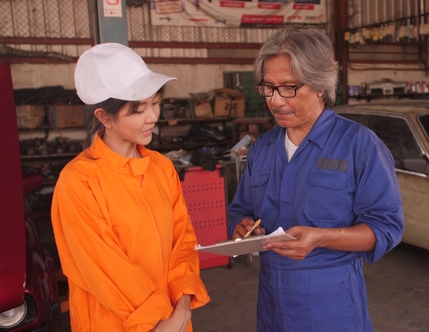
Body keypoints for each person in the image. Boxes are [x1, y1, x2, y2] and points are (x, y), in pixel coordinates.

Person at [227, 27, 404, 331]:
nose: (275, 101)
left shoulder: (359, 145)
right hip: (272, 301)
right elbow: (241, 209)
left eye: (288, 88)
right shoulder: (263, 149)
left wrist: (322, 237)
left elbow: (386, 228)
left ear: (320, 86)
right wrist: (242, 228)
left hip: (332, 303)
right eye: (268, 88)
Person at [51, 43, 210, 332]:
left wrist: (183, 307)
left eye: (155, 102)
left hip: (174, 321)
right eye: (138, 109)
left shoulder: (161, 168)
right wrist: (162, 320)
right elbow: (105, 269)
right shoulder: (78, 181)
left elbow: (183, 243)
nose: (152, 116)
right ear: (104, 117)